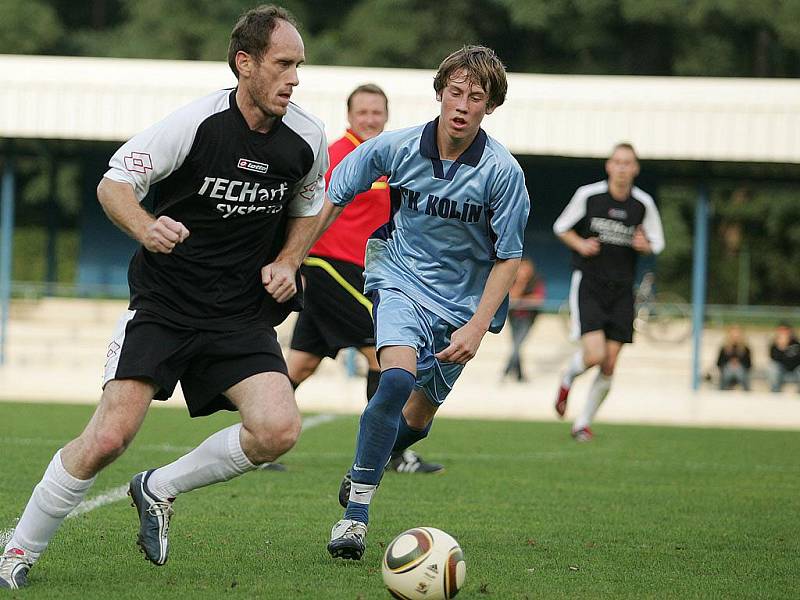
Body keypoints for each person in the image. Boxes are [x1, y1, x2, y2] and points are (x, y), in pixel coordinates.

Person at [0, 6, 328, 589]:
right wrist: (146, 226)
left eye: (298, 66)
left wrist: (288, 260)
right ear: (244, 63)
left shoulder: (306, 136)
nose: (294, 78)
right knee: (107, 437)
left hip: (238, 315)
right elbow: (114, 183)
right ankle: (19, 550)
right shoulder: (195, 123)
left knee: (277, 430)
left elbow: (309, 203)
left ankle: (158, 487)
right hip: (165, 305)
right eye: (283, 64)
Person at [310, 45, 530, 561]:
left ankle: (365, 466)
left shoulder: (503, 172)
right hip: (400, 278)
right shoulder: (397, 147)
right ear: (439, 93)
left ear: (490, 107)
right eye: (455, 91)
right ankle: (355, 516)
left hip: (463, 309)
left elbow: (508, 257)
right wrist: (287, 255)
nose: (462, 104)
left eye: (475, 97)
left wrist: (477, 327)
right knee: (395, 378)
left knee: (416, 420)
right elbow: (333, 196)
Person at [286, 84, 443, 477]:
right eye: (363, 113)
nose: (370, 119)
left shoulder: (390, 158)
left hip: (365, 270)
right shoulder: (339, 155)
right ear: (349, 116)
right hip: (331, 266)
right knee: (384, 352)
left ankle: (254, 435)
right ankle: (389, 453)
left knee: (301, 365)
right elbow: (310, 205)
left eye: (377, 112)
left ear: (386, 116)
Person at [552, 142, 665, 442]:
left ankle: (582, 424)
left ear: (636, 168)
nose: (622, 168)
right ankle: (567, 378)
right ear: (609, 166)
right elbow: (561, 226)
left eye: (628, 163)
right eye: (617, 162)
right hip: (589, 284)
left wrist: (646, 246)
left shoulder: (643, 203)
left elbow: (658, 241)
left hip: (623, 290)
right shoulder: (589, 196)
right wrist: (580, 244)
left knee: (610, 363)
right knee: (594, 355)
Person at [502, 257, 545, 382]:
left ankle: (505, 371)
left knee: (517, 345)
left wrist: (521, 300)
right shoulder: (513, 280)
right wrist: (521, 282)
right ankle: (520, 375)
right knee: (516, 345)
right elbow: (511, 297)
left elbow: (537, 299)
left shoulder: (537, 281)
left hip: (528, 318)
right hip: (513, 317)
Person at [716, 325, 752, 391]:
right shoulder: (724, 348)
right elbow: (719, 363)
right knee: (728, 370)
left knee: (739, 371)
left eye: (737, 334)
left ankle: (746, 391)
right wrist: (730, 363)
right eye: (733, 334)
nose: (735, 336)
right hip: (727, 370)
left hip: (741, 371)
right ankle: (722, 391)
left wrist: (738, 363)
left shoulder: (745, 349)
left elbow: (749, 364)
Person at [768, 323, 800, 393]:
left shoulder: (796, 344)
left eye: (785, 330)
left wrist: (786, 348)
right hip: (781, 370)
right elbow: (774, 359)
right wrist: (781, 348)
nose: (783, 333)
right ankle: (775, 392)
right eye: (781, 331)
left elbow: (796, 360)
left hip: (795, 370)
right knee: (772, 368)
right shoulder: (774, 345)